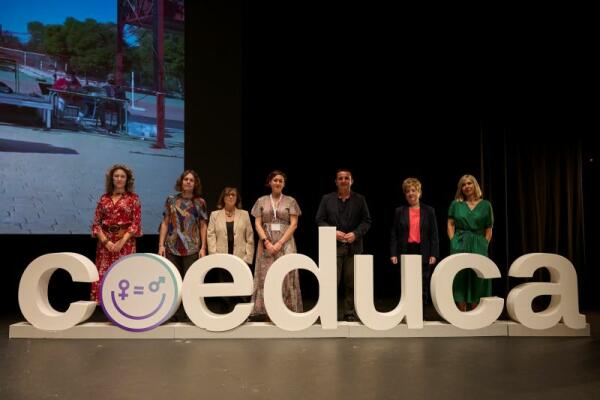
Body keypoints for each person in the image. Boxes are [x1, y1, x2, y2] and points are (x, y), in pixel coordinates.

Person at [315, 168, 371, 322]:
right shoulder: (327, 199)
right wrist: (332, 232)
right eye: (340, 178)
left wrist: (356, 234)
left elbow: (367, 221)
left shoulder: (360, 199)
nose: (344, 180)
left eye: (347, 178)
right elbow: (319, 219)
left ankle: (349, 313)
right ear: (336, 181)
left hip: (354, 246)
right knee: (331, 282)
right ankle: (328, 311)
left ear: (351, 181)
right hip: (332, 247)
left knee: (351, 282)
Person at [250, 170, 303, 321]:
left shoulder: (291, 201)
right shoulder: (261, 201)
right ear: (270, 183)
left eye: (280, 181)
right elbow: (257, 223)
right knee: (266, 275)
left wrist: (280, 243)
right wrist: (266, 241)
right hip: (266, 243)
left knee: (286, 275)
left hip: (285, 242)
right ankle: (266, 311)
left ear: (284, 184)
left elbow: (294, 225)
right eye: (275, 180)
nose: (278, 183)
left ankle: (287, 309)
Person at [158, 170, 208, 320]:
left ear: (195, 184)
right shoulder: (171, 200)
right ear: (181, 182)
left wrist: (203, 247)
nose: (188, 182)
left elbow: (203, 225)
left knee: (190, 282)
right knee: (174, 282)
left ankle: (189, 313)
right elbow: (165, 223)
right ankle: (173, 313)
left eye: (191, 180)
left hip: (192, 248)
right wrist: (161, 245)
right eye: (186, 179)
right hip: (172, 247)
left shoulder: (200, 202)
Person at [91, 164, 142, 304]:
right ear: (111, 179)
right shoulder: (104, 199)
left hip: (125, 243)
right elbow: (96, 224)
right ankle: (105, 306)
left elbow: (135, 224)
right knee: (105, 274)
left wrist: (121, 242)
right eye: (116, 176)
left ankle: (122, 307)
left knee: (123, 274)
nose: (119, 179)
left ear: (127, 180)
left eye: (122, 176)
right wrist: (106, 242)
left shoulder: (133, 199)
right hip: (105, 244)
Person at [390, 178, 439, 308]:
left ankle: (421, 311)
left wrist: (434, 253)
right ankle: (407, 310)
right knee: (407, 282)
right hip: (406, 250)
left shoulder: (429, 211)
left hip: (423, 250)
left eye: (413, 190)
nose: (410, 193)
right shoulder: (399, 211)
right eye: (407, 191)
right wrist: (393, 253)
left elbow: (434, 234)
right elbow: (394, 233)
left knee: (423, 281)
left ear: (419, 192)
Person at [447, 174, 494, 312]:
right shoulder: (456, 204)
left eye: (469, 183)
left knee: (478, 277)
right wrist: (453, 241)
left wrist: (484, 244)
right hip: (460, 241)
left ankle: (476, 312)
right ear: (460, 188)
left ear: (475, 185)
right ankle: (461, 312)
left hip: (478, 243)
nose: (467, 186)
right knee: (460, 275)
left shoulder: (486, 205)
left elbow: (489, 229)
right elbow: (450, 224)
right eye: (463, 184)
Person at [207, 187, 255, 312]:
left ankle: (243, 313)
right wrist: (214, 255)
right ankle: (225, 311)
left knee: (241, 286)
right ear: (223, 198)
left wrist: (248, 257)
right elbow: (210, 235)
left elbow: (250, 237)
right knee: (224, 286)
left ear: (237, 198)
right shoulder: (215, 215)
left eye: (233, 194)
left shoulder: (244, 214)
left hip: (240, 258)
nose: (230, 197)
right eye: (228, 195)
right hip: (221, 257)